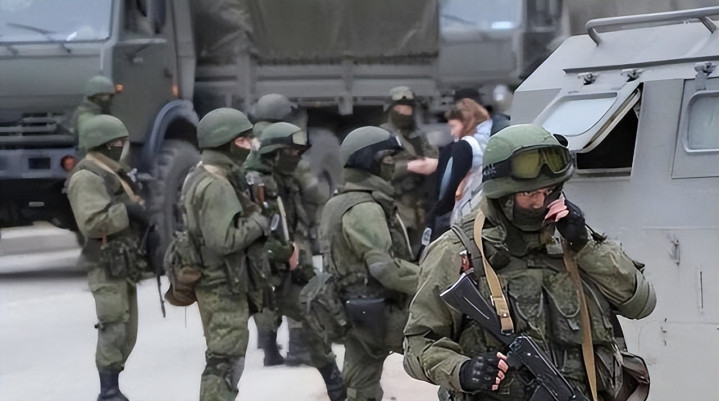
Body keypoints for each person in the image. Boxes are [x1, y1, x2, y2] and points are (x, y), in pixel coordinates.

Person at [403, 124, 656, 401]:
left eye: (549, 191)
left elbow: (640, 304)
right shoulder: (458, 250)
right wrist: (462, 370)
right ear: (502, 194)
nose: (541, 202)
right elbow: (418, 343)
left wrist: (586, 246)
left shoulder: (572, 239)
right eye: (528, 194)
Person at [245, 122, 346, 401]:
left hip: (283, 266)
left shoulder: (284, 178)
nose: (296, 157)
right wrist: (283, 252)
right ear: (274, 153)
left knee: (311, 315)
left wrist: (296, 256)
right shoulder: (253, 182)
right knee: (228, 349)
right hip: (255, 271)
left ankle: (336, 387)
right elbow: (253, 232)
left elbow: (297, 214)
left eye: (298, 152)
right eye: (290, 151)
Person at [181, 107, 277, 401]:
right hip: (221, 282)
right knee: (225, 359)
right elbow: (223, 241)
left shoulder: (200, 174)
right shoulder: (217, 186)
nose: (249, 146)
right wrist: (260, 223)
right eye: (243, 140)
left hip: (215, 279)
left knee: (224, 355)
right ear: (225, 143)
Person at [320, 126, 420, 401]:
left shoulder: (339, 201)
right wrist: (432, 278)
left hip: (351, 308)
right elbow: (383, 268)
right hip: (377, 309)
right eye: (388, 157)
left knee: (360, 384)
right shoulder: (364, 207)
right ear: (369, 160)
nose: (392, 164)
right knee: (448, 352)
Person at [66, 115, 149, 401]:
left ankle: (113, 383)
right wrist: (128, 212)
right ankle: (108, 390)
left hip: (123, 261)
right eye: (117, 142)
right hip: (105, 262)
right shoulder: (86, 177)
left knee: (128, 329)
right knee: (113, 325)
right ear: (102, 143)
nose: (121, 147)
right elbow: (92, 223)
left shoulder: (113, 172)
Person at [249, 93, 331, 367]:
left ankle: (268, 346)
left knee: (266, 285)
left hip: (260, 224)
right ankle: (298, 347)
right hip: (288, 222)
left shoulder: (247, 142)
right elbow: (313, 191)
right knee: (299, 281)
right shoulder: (283, 141)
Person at [380, 86, 438, 252]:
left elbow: (432, 156)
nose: (404, 113)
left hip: (420, 204)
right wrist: (409, 166)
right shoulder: (383, 136)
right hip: (396, 203)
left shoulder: (417, 135)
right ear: (390, 109)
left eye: (408, 108)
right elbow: (381, 170)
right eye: (400, 108)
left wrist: (431, 163)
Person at [424, 100, 488, 242]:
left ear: (466, 122)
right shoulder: (484, 143)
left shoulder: (464, 146)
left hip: (459, 213)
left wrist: (435, 212)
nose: (452, 132)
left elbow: (449, 186)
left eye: (454, 126)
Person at [71, 75, 117, 140]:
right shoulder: (86, 117)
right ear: (96, 96)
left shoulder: (97, 113)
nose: (110, 99)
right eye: (108, 96)